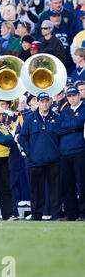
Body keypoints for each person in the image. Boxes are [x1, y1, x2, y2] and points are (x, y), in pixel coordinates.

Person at [18, 92, 61, 221]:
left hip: (54, 161)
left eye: (47, 101)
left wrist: (58, 153)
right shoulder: (29, 119)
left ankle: (56, 215)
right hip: (35, 161)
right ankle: (36, 215)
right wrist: (30, 153)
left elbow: (62, 137)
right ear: (37, 103)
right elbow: (22, 137)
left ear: (50, 102)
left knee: (55, 190)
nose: (44, 103)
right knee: (36, 191)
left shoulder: (57, 118)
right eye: (42, 101)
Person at [56, 86, 85, 221]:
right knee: (67, 185)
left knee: (82, 183)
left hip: (80, 151)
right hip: (65, 152)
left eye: (74, 96)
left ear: (79, 95)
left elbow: (79, 124)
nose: (72, 98)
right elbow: (57, 128)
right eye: (69, 96)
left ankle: (83, 213)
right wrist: (72, 128)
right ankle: (71, 214)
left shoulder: (84, 109)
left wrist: (68, 127)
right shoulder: (65, 111)